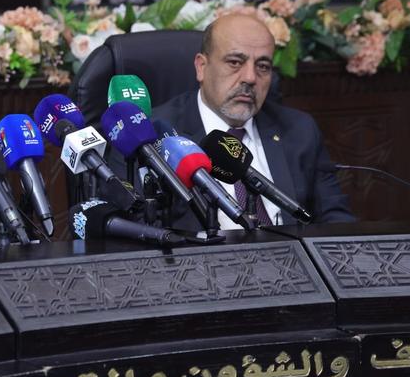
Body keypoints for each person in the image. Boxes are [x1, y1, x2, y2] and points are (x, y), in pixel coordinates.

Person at [151, 13, 355, 230]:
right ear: (201, 67)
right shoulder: (156, 134)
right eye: (235, 62)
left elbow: (336, 218)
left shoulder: (299, 130)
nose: (250, 77)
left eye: (263, 66)